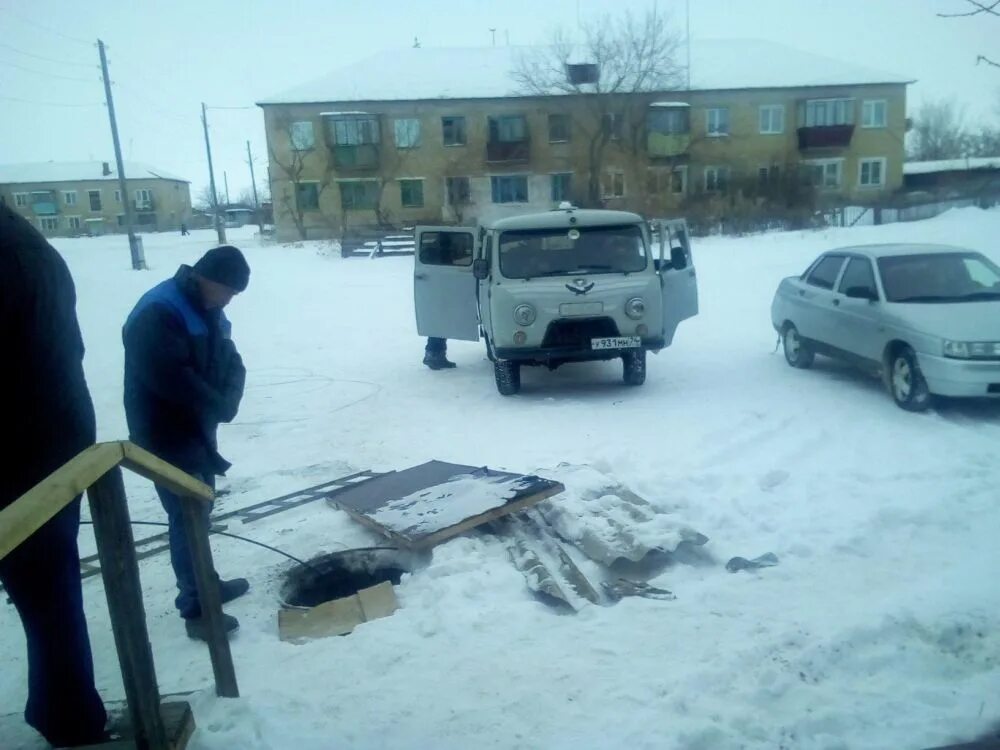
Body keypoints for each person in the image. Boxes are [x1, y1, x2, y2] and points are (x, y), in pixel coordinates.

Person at [0, 205, 108, 746]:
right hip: (57, 439)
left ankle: (68, 714)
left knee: (45, 589)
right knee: (51, 591)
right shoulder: (34, 248)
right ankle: (68, 712)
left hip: (19, 450)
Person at [122, 245, 251, 641]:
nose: (228, 300)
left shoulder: (209, 308)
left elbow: (230, 359)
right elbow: (170, 379)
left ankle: (205, 584)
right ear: (205, 277)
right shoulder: (159, 311)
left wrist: (227, 401)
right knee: (187, 513)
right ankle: (197, 609)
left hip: (196, 426)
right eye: (226, 291)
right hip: (164, 431)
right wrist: (216, 404)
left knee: (200, 508)